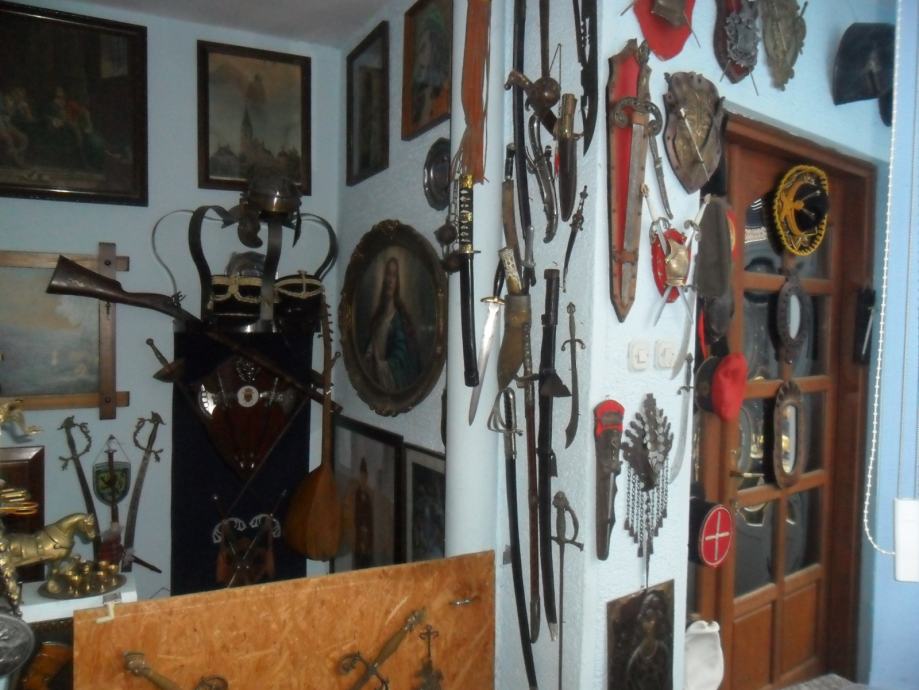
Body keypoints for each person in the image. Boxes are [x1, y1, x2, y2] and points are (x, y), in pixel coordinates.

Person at [363, 256, 421, 391]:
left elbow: (402, 356)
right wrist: (369, 355)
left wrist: (382, 365)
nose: (390, 280)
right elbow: (372, 345)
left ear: (397, 281)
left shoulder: (400, 319)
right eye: (388, 274)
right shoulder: (378, 317)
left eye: (394, 275)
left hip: (389, 382)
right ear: (383, 279)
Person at [624, 589, 673, 690]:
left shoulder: (663, 651)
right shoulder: (635, 660)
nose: (649, 625)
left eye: (652, 619)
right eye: (647, 619)